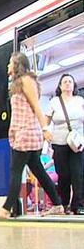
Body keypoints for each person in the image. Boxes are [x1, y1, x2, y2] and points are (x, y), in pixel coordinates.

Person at [0, 52, 63, 219]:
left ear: (17, 64)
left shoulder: (27, 80)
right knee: (39, 172)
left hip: (27, 133)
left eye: (10, 62)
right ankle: (57, 204)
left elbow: (37, 106)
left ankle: (6, 208)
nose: (8, 66)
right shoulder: (16, 84)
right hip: (22, 133)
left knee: (15, 171)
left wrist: (45, 128)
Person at [45, 74, 84, 215]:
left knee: (78, 174)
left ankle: (78, 205)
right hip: (59, 143)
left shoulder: (80, 101)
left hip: (77, 143)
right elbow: (46, 120)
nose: (68, 84)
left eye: (70, 82)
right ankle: (64, 203)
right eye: (65, 82)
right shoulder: (54, 102)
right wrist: (45, 131)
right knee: (63, 175)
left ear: (74, 86)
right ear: (60, 86)